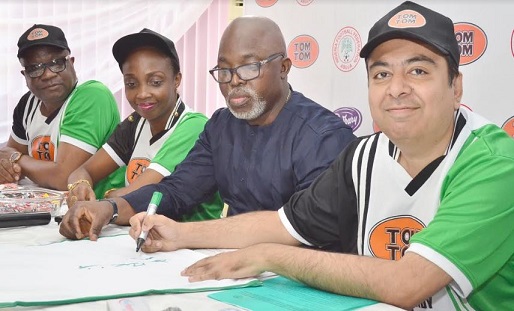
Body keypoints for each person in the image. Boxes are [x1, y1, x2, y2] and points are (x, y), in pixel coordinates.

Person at [129, 2, 514, 310]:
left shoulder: (493, 163)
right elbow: (283, 224)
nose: (396, 88)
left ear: (456, 85)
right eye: (381, 74)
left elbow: (408, 283)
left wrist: (271, 257)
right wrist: (179, 234)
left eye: (417, 70)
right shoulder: (363, 155)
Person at [61, 16, 355, 241]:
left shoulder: (322, 137)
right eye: (224, 70)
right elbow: (176, 191)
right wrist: (110, 208)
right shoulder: (221, 127)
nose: (234, 81)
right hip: (234, 266)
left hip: (299, 279)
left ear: (284, 68)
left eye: (249, 67)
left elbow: (303, 228)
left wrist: (187, 237)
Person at [59, 29, 222, 235]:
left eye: (155, 82)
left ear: (177, 79)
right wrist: (79, 187)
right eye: (131, 84)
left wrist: (104, 199)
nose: (142, 94)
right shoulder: (136, 124)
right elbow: (82, 171)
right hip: (137, 235)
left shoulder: (193, 126)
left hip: (189, 244)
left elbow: (142, 194)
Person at [0, 24, 123, 195]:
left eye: (56, 63)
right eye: (35, 68)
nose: (48, 74)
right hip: (46, 209)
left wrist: (17, 158)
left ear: (71, 63)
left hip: (100, 210)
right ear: (25, 75)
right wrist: (10, 160)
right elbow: (7, 166)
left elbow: (65, 177)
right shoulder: (28, 103)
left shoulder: (92, 96)